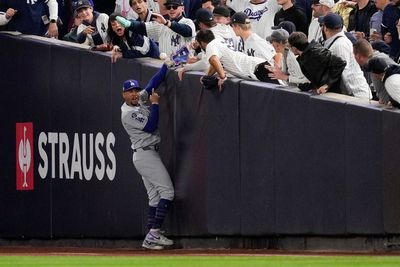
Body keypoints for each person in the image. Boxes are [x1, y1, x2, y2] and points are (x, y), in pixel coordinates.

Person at [121, 63, 175, 250]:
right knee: (167, 192)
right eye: (130, 91)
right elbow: (151, 126)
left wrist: (166, 66)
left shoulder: (138, 100)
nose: (135, 93)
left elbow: (153, 82)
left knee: (154, 198)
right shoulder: (128, 113)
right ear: (124, 95)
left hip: (145, 154)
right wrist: (155, 103)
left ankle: (151, 237)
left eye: (136, 89)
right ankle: (154, 233)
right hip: (145, 155)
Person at [195, 29, 282, 91]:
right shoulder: (218, 42)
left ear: (202, 42)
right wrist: (207, 76)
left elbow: (213, 60)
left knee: (283, 94)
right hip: (257, 67)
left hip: (258, 68)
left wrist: (223, 77)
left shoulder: (210, 45)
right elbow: (215, 64)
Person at [116, 0, 196, 56]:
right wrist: (129, 24)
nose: (171, 9)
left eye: (174, 7)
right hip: (165, 66)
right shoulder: (161, 24)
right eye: (168, 7)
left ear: (182, 8)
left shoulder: (188, 22)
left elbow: (187, 31)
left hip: (183, 67)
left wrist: (167, 23)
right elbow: (143, 27)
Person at [320, 13, 371, 99]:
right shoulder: (336, 41)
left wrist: (350, 97)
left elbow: (344, 72)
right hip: (353, 95)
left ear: (325, 28)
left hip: (357, 95)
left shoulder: (340, 44)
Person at [353, 38, 397, 103]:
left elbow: (384, 97)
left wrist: (389, 102)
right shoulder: (377, 59)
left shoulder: (377, 64)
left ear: (358, 56)